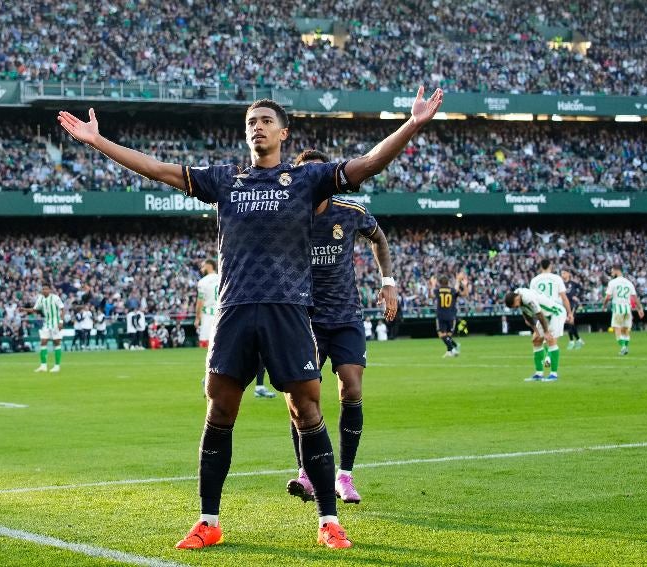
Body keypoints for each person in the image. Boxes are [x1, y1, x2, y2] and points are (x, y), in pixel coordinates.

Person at [58, 86, 443, 550]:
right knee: (219, 411)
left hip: (288, 311)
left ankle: (328, 521)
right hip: (235, 311)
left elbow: (368, 163)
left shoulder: (308, 179)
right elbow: (159, 170)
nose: (256, 127)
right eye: (250, 123)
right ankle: (208, 521)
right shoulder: (225, 179)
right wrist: (99, 142)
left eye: (264, 121)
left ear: (284, 132)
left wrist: (412, 125)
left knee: (308, 411)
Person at [285, 149, 398, 506]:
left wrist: (389, 281)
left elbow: (379, 238)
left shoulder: (350, 214)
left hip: (346, 316)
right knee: (303, 397)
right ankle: (306, 473)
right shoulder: (288, 217)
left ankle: (344, 476)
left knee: (351, 389)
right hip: (305, 319)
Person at [504, 287, 567, 382]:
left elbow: (540, 315)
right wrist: (536, 331)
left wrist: (545, 332)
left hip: (555, 313)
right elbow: (526, 314)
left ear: (517, 299)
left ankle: (553, 374)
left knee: (551, 340)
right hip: (545, 317)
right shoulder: (517, 296)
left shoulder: (527, 298)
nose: (515, 307)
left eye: (515, 306)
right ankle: (539, 373)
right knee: (536, 340)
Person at [530, 259, 573, 365]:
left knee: (538, 339)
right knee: (553, 338)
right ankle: (549, 358)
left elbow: (532, 299)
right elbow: (564, 297)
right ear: (551, 266)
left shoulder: (534, 280)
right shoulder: (557, 278)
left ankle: (546, 359)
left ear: (540, 267)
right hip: (554, 310)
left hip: (541, 313)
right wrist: (570, 313)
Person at [602, 263, 645, 355]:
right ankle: (626, 347)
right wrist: (640, 309)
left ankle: (623, 347)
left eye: (612, 270)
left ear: (616, 270)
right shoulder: (629, 283)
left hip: (618, 308)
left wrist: (604, 305)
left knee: (617, 328)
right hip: (627, 309)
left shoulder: (612, 282)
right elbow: (634, 297)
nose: (611, 272)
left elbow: (607, 297)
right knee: (625, 330)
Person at [22, 283, 64, 373]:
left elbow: (62, 309)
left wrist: (61, 322)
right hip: (47, 323)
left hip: (55, 323)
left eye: (46, 289)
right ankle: (43, 366)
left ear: (50, 290)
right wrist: (25, 310)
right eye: (43, 289)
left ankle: (57, 366)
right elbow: (35, 309)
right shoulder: (40, 298)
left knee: (56, 343)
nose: (44, 290)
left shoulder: (55, 298)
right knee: (43, 342)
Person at [431, 273, 468, 358]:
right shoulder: (452, 290)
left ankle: (453, 348)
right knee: (448, 335)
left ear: (439, 283)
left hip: (441, 315)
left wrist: (433, 284)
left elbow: (431, 295)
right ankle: (450, 350)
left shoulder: (438, 290)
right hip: (451, 315)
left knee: (441, 335)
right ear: (448, 282)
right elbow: (465, 294)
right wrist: (464, 284)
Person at [194, 259, 219, 348]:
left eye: (203, 266)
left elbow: (200, 301)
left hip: (208, 315)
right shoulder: (222, 278)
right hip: (221, 314)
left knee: (205, 343)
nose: (201, 269)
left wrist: (197, 318)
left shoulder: (203, 281)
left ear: (209, 266)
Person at [560, 269, 585, 349]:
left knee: (570, 322)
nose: (562, 275)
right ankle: (578, 339)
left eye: (564, 273)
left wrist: (577, 296)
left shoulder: (573, 283)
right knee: (570, 323)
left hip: (573, 304)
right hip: (564, 305)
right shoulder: (561, 284)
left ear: (568, 274)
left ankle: (571, 341)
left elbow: (582, 289)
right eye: (562, 273)